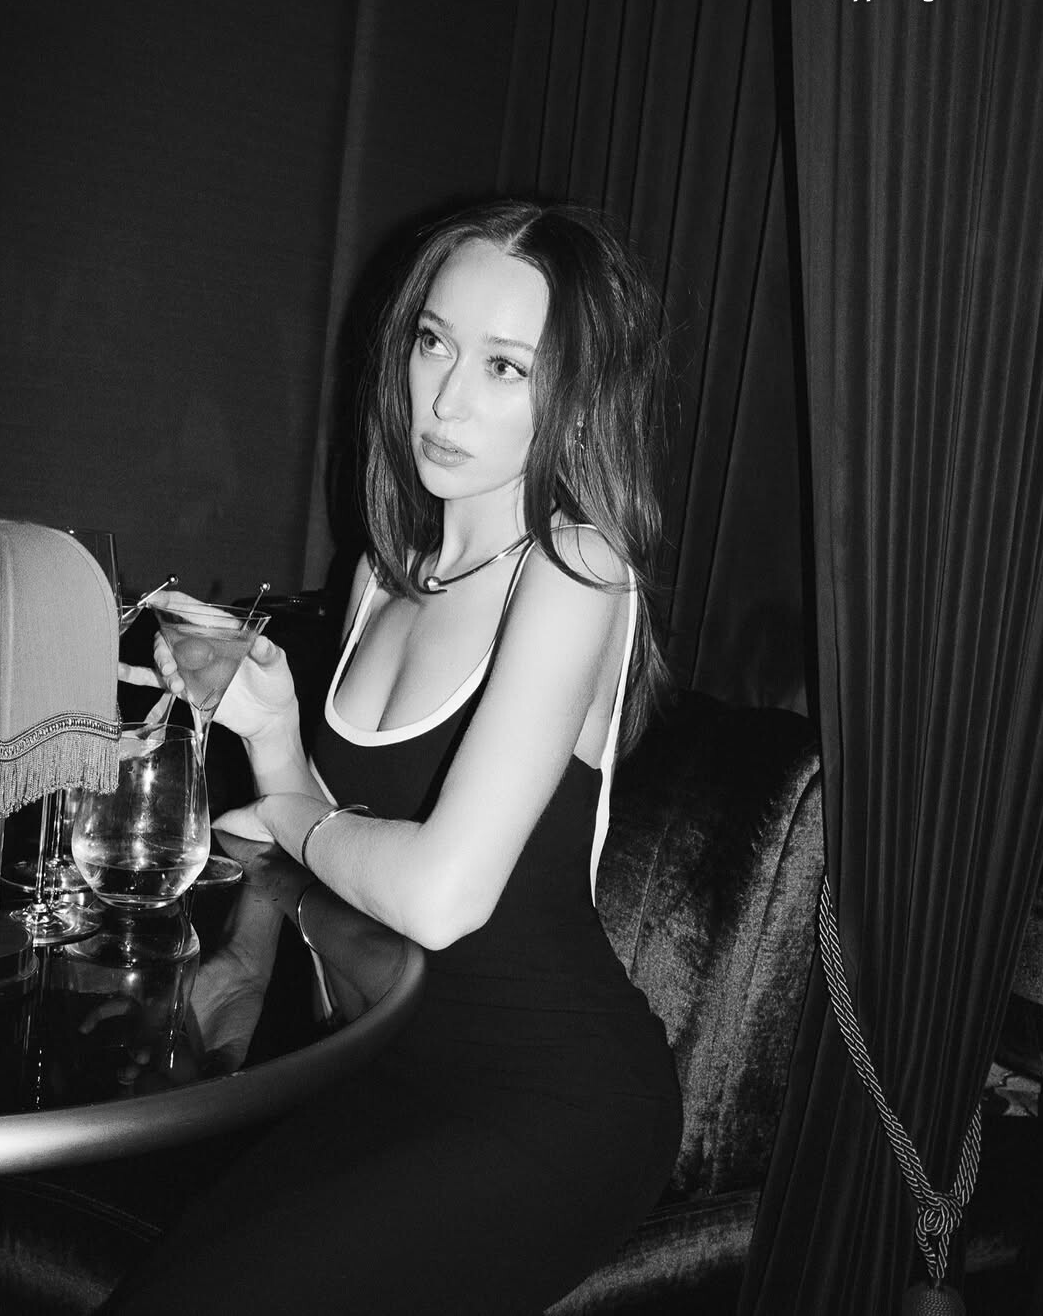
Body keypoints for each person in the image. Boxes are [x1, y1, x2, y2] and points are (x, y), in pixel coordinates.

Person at [112, 200, 682, 1315]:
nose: (448, 398)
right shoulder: (385, 570)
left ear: (577, 397)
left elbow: (440, 895)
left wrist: (289, 817)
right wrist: (271, 728)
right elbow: (343, 850)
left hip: (551, 1097)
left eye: (507, 367)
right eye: (433, 342)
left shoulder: (575, 568)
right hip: (382, 1062)